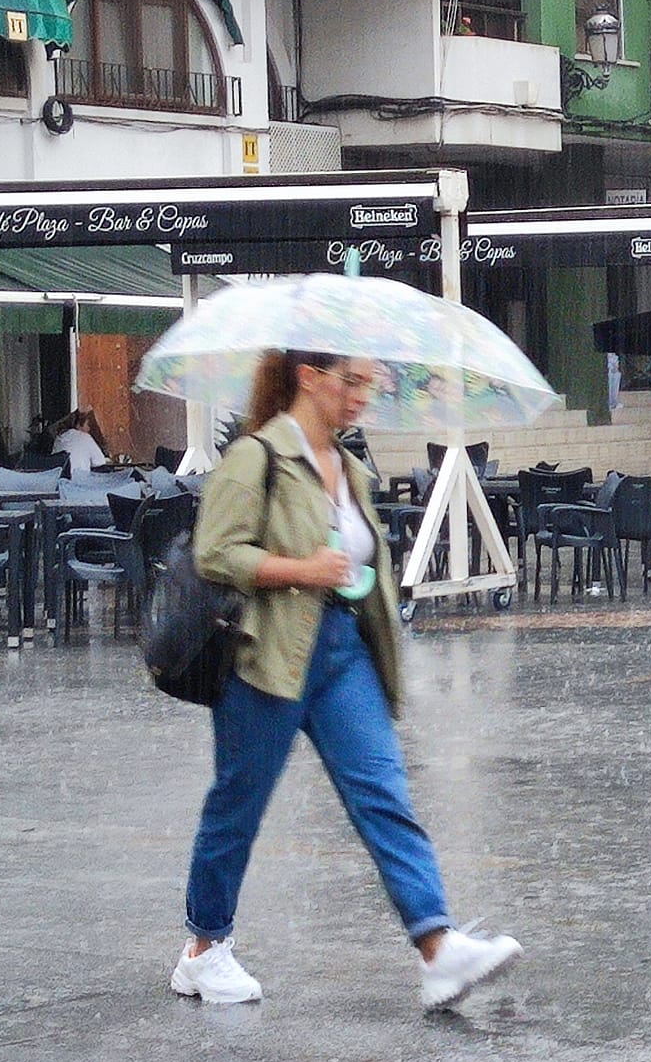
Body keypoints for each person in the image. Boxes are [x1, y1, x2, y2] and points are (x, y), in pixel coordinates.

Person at [173, 348, 522, 1010]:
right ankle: (203, 948)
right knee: (237, 805)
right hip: (264, 654)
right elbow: (216, 552)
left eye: (371, 384)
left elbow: (359, 564)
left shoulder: (351, 469)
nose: (363, 395)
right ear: (310, 378)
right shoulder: (258, 457)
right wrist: (301, 569)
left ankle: (437, 948)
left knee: (383, 793)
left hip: (340, 652)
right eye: (353, 381)